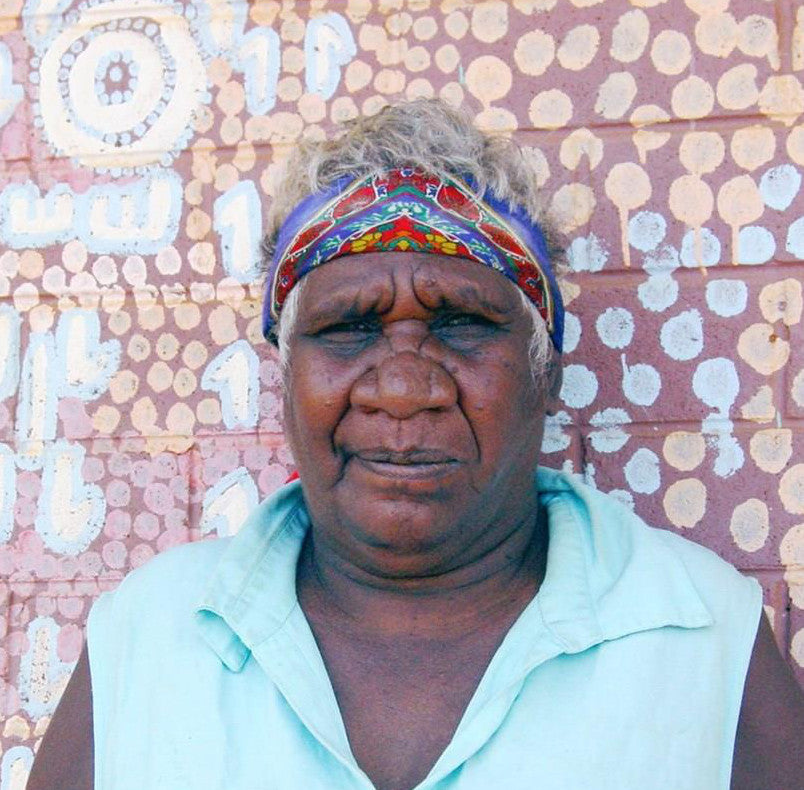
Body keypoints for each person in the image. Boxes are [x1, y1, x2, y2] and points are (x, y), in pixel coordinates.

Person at [29, 99, 804, 790]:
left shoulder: (701, 640)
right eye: (348, 330)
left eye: (462, 324)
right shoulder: (149, 639)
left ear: (545, 373)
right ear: (285, 377)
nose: (402, 389)